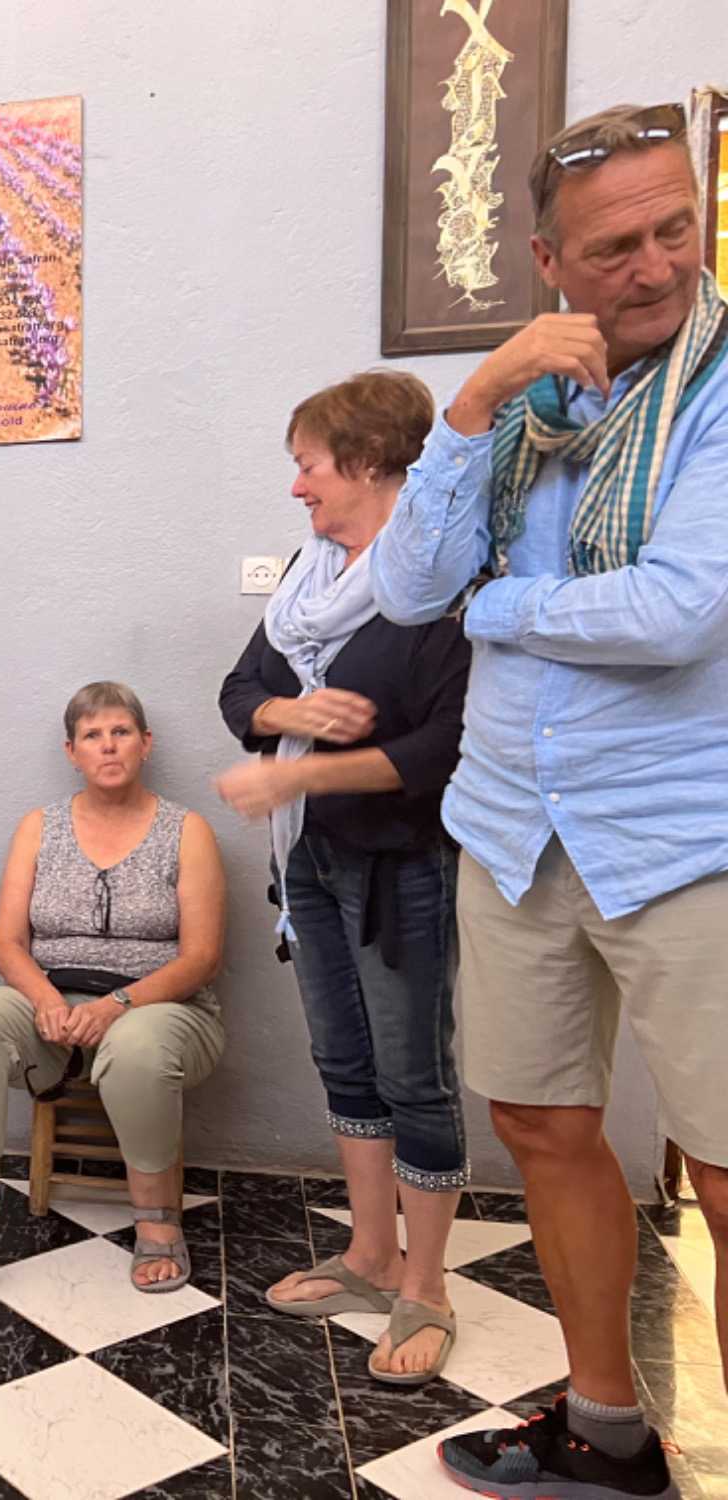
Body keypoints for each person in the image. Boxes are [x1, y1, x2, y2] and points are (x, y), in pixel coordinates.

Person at [370, 102, 726, 1497]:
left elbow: (678, 611)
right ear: (547, 263)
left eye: (674, 229)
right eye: (613, 247)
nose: (656, 266)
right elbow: (408, 587)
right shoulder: (524, 407)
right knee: (541, 1126)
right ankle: (604, 1431)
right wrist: (473, 403)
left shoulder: (717, 385)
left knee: (724, 1167)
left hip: (688, 836)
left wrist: (500, 605)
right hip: (513, 828)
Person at [215, 370, 473, 1385]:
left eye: (308, 466)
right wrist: (290, 717)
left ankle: (427, 1287)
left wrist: (307, 773)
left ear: (366, 464)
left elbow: (443, 747)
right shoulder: (306, 574)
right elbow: (242, 688)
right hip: (310, 858)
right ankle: (369, 1257)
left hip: (403, 864)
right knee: (344, 1064)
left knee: (414, 1077)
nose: (296, 488)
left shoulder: (441, 578)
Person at [0, 682, 224, 1327]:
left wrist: (118, 1004)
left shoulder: (187, 830)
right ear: (71, 751)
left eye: (121, 732)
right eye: (92, 735)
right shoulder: (39, 827)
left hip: (162, 1009)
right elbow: (5, 941)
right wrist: (46, 999)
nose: (108, 746)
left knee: (137, 1048)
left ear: (145, 744)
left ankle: (158, 1221)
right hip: (53, 1002)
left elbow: (201, 958)